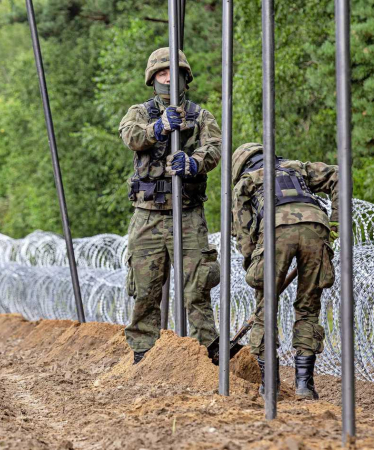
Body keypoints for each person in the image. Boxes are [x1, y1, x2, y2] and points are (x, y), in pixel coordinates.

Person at [119, 47, 222, 365]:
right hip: (148, 214)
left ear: (184, 77)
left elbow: (216, 147)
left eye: (173, 73)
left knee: (197, 287)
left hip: (187, 214)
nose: (168, 78)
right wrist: (159, 128)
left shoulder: (200, 115)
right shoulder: (139, 112)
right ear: (153, 79)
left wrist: (193, 163)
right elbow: (130, 137)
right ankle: (142, 351)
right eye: (162, 73)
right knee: (146, 288)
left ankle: (208, 349)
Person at [231, 142, 339, 400]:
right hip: (316, 227)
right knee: (308, 307)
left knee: (265, 308)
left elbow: (243, 235)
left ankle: (270, 386)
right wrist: (336, 218)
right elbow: (337, 175)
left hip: (275, 230)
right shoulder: (297, 168)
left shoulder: (245, 182)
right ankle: (304, 386)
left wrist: (256, 270)